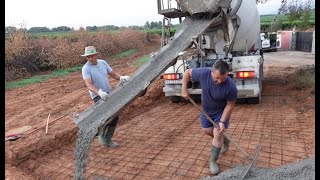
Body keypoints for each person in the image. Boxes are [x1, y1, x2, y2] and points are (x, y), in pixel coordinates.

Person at [181, 60, 237, 175]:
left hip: (220, 113)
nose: (220, 81)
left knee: (217, 133)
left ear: (227, 74)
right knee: (207, 131)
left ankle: (213, 161)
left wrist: (222, 121)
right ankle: (225, 140)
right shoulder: (203, 73)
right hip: (206, 111)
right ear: (211, 72)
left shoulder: (231, 86)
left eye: (223, 78)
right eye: (217, 78)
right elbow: (187, 72)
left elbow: (230, 105)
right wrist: (184, 89)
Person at [81, 46, 131, 148]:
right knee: (109, 115)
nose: (90, 58)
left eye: (91, 56)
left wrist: (121, 77)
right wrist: (99, 92)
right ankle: (103, 137)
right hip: (97, 95)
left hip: (108, 93)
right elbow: (89, 85)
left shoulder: (102, 63)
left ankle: (103, 136)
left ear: (96, 55)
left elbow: (112, 74)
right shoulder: (86, 68)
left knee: (113, 116)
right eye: (88, 57)